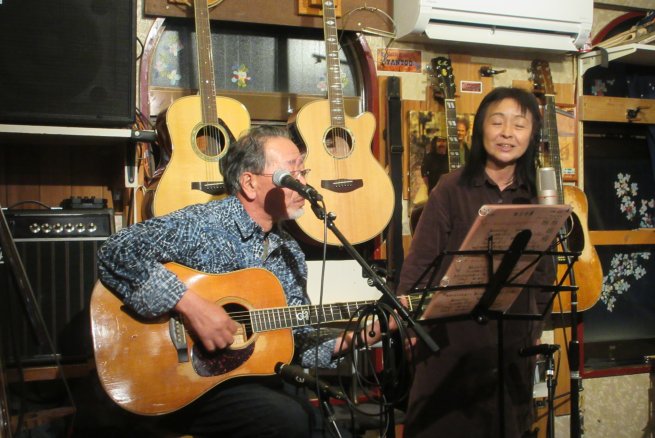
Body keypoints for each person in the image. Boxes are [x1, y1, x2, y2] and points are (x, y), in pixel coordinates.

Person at [96, 125, 371, 437]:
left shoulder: (289, 252)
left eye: (303, 172)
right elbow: (117, 250)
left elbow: (296, 342)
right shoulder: (204, 225)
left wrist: (364, 335)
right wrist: (191, 306)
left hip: (248, 382)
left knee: (325, 423)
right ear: (249, 183)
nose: (303, 184)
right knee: (291, 418)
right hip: (184, 383)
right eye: (290, 175)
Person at [397, 87, 556, 437]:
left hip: (512, 345)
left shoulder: (537, 196)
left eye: (519, 125)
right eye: (497, 122)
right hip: (449, 342)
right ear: (481, 127)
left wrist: (533, 330)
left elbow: (545, 275)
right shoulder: (450, 189)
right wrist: (410, 329)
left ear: (532, 135)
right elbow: (419, 264)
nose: (507, 133)